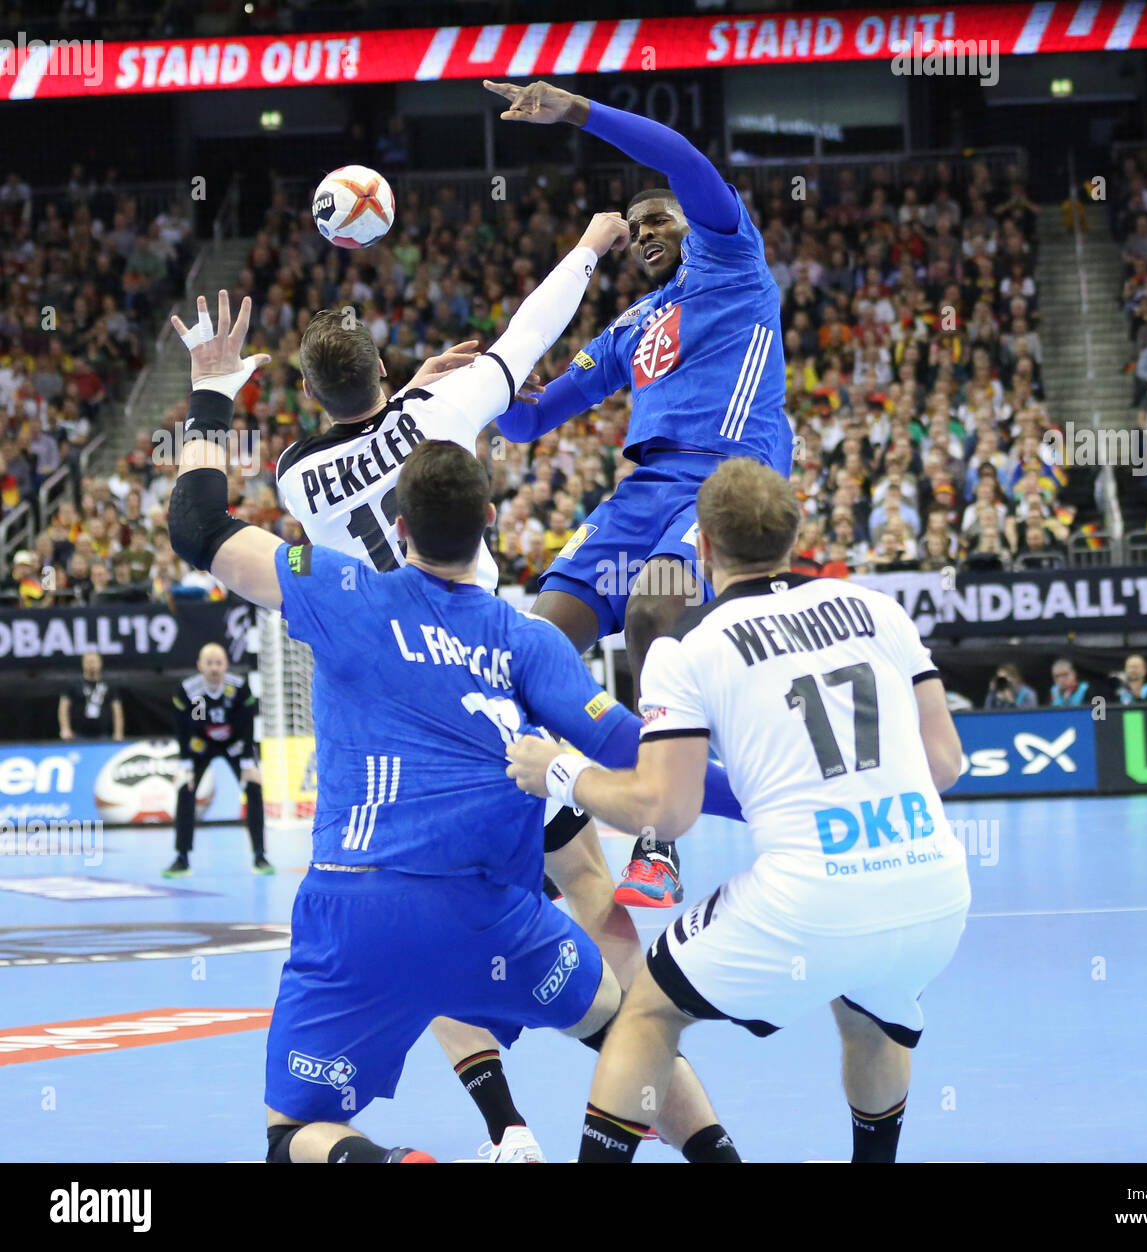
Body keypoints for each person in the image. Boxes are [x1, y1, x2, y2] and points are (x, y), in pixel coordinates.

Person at [166, 290, 739, 1164]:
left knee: (294, 1136)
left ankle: (399, 1161)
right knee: (630, 1027)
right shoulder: (528, 640)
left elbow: (198, 524)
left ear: (395, 530)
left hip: (356, 913)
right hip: (493, 920)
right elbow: (636, 751)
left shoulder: (336, 592)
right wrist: (767, 794)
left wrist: (211, 388)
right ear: (493, 528)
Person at [506, 458, 970, 1162]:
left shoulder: (687, 649)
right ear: (795, 533)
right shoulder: (878, 609)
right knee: (871, 1016)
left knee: (650, 1011)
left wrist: (562, 773)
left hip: (811, 899)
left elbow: (665, 809)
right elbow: (946, 764)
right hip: (933, 892)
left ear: (704, 550)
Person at [484, 79, 793, 908]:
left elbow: (682, 158)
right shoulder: (630, 326)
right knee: (539, 642)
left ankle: (659, 838)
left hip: (728, 481)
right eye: (640, 227)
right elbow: (528, 421)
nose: (650, 231)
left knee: (657, 610)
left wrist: (575, 112)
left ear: (698, 222)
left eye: (664, 219)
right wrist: (476, 381)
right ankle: (542, 834)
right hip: (645, 486)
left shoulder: (734, 258)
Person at [164, 641, 270, 877]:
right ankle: (182, 858)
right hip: (200, 745)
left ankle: (260, 856)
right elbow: (183, 727)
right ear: (199, 665)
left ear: (226, 665)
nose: (214, 668)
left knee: (254, 787)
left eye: (218, 663)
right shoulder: (188, 691)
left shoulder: (240, 688)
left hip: (234, 744)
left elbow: (247, 725)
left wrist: (246, 762)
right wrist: (185, 764)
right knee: (184, 789)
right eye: (209, 663)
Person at [57, 651, 125, 741]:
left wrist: (118, 733)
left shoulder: (109, 685)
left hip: (104, 735)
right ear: (83, 664)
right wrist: (65, 729)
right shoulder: (74, 684)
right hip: (78, 735)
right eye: (88, 662)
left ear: (100, 663)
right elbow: (63, 708)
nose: (91, 665)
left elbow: (117, 710)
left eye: (94, 662)